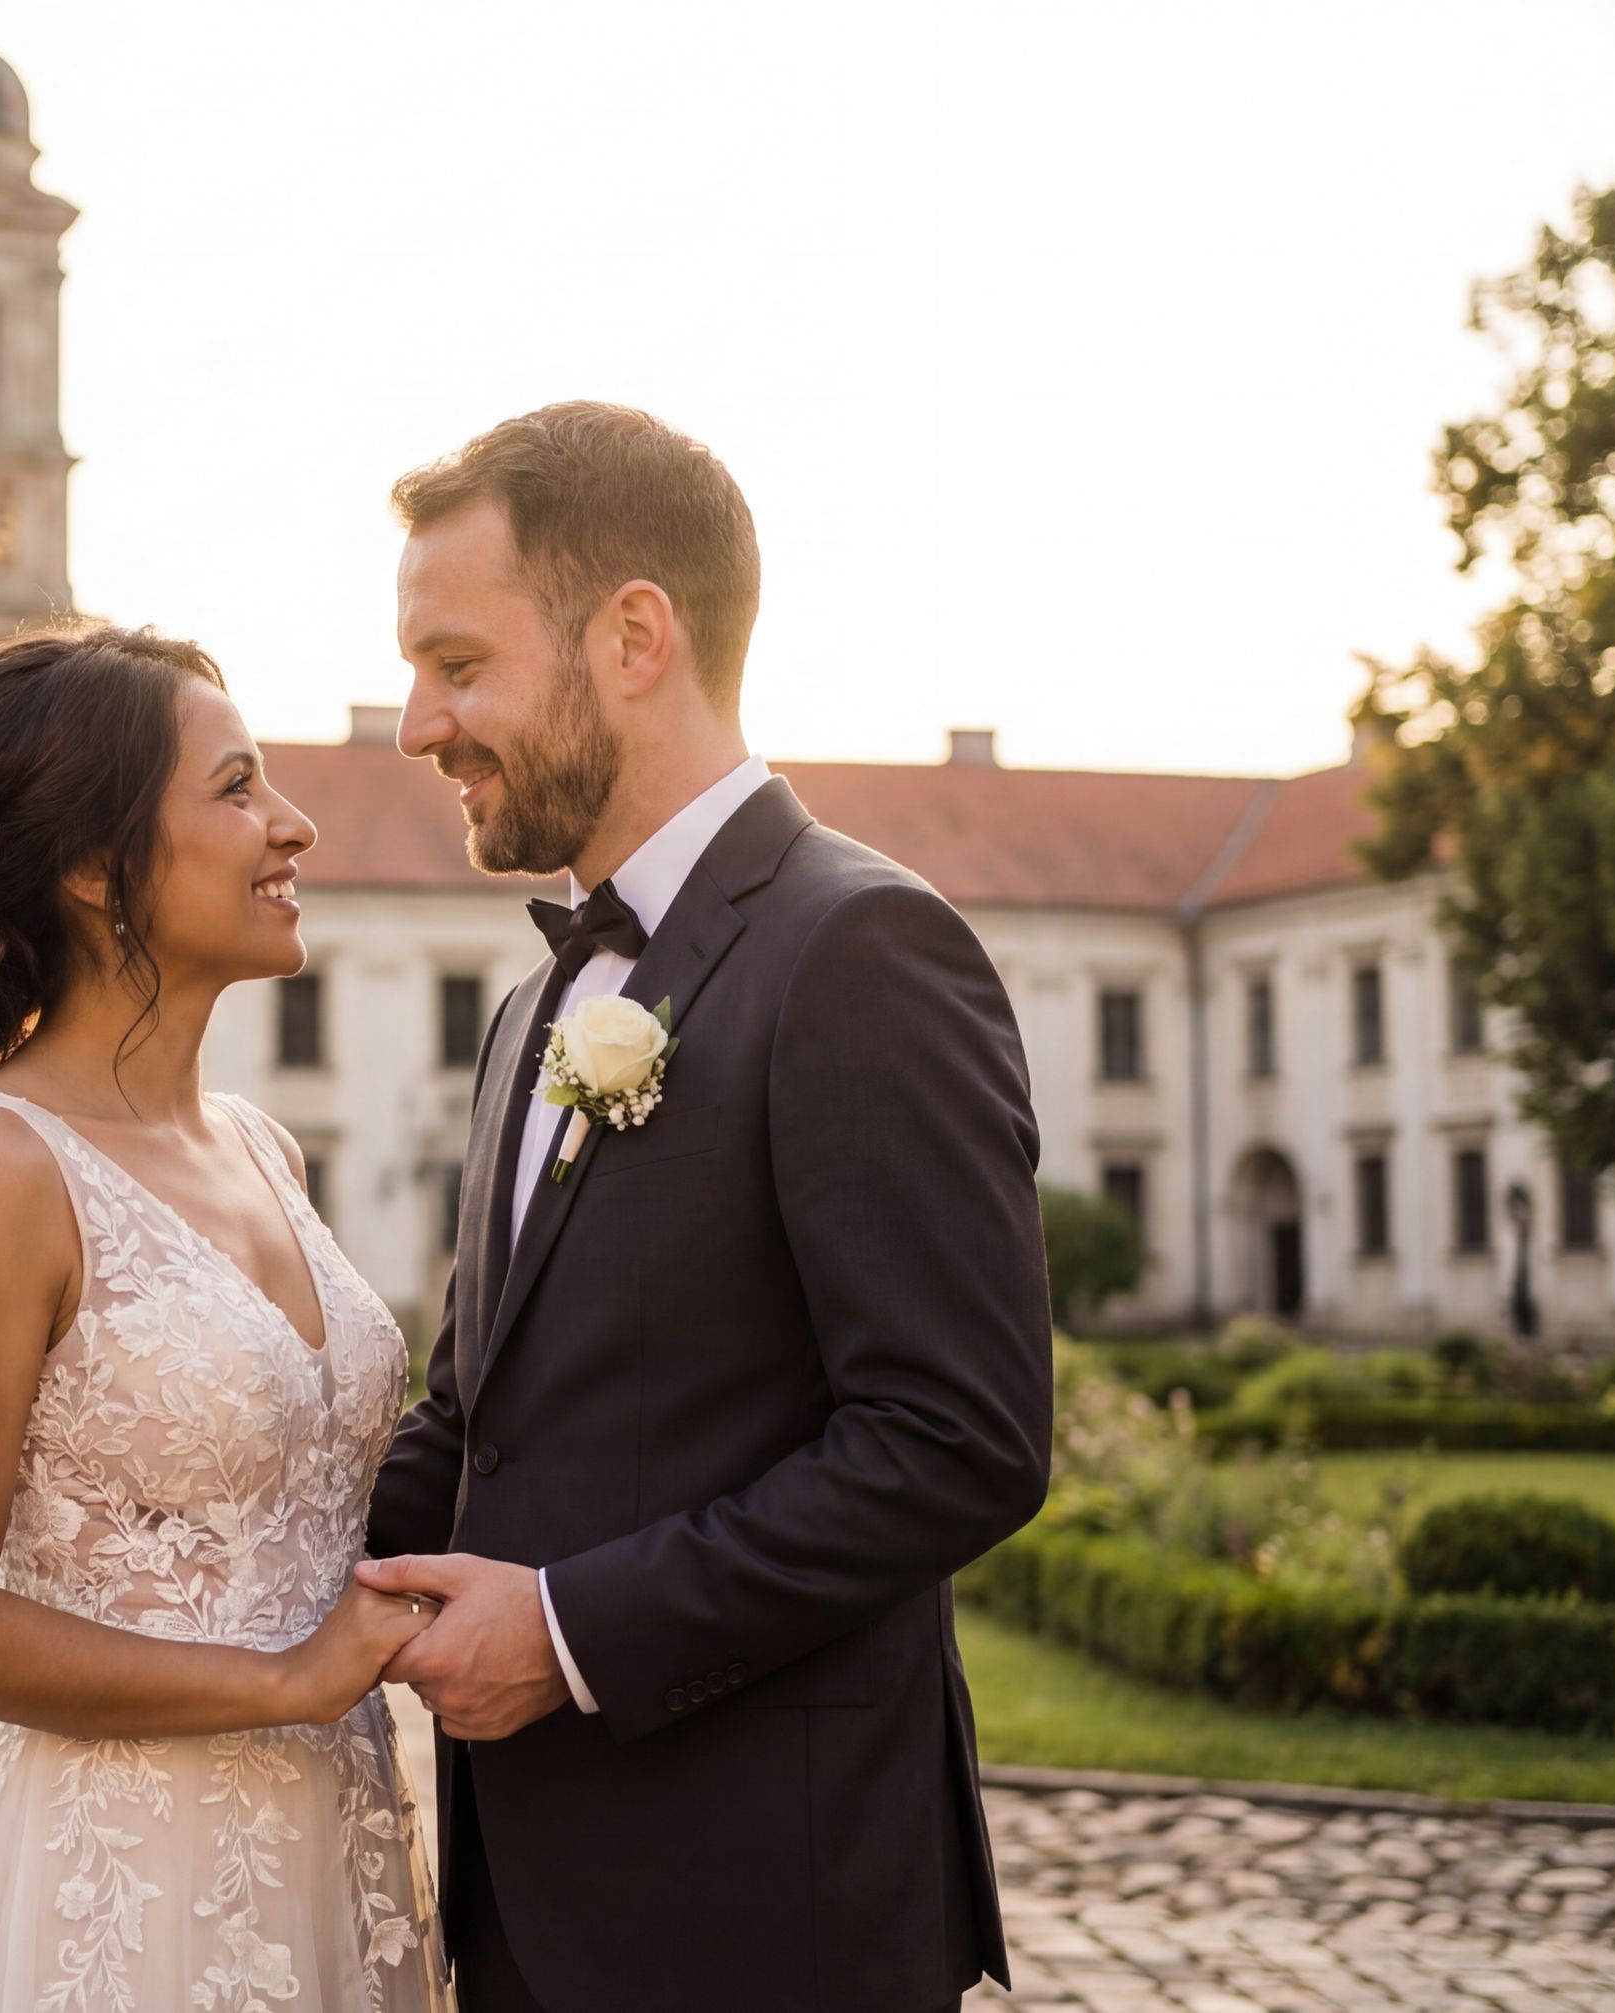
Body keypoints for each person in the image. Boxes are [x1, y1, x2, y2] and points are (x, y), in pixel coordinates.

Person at [352, 401, 1055, 2011]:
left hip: (765, 1912)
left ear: (634, 637)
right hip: (526, 1905)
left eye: (457, 664)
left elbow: (960, 1438)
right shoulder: (534, 1013)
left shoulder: (864, 949)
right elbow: (479, 1419)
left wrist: (574, 1633)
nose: (416, 724)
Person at [0, 623, 450, 2013]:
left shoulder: (262, 1147)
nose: (292, 824)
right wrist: (288, 1674)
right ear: (92, 863)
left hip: (335, 1846)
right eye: (238, 788)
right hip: (116, 1888)